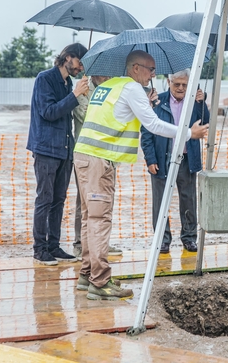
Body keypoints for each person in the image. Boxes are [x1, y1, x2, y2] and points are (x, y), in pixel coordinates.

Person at [73, 51, 208, 300]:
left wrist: (148, 102)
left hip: (82, 155)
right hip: (99, 161)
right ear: (136, 68)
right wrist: (189, 133)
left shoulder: (108, 86)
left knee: (88, 217)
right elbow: (153, 125)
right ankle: (100, 281)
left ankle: (86, 274)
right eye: (150, 69)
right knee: (100, 219)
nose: (153, 75)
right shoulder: (132, 88)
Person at [27, 43, 89, 266]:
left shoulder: (69, 83)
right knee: (44, 198)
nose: (80, 68)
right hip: (45, 148)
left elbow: (70, 114)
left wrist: (78, 94)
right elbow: (49, 112)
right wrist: (74, 95)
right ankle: (39, 248)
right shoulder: (45, 79)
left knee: (59, 200)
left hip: (64, 149)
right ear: (68, 57)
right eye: (79, 62)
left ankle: (53, 245)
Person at [141, 69, 210, 254]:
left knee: (188, 200)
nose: (180, 88)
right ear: (169, 82)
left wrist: (201, 103)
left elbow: (205, 123)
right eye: (176, 84)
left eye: (184, 85)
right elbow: (147, 131)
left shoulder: (194, 102)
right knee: (160, 202)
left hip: (187, 160)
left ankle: (189, 238)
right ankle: (162, 240)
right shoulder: (157, 101)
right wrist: (150, 159)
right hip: (162, 159)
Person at [72, 75, 125, 260]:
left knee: (105, 202)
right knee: (85, 203)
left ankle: (101, 243)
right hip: (87, 155)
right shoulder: (83, 89)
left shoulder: (113, 91)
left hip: (108, 154)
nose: (110, 76)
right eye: (106, 72)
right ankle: (80, 245)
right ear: (95, 72)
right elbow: (88, 116)